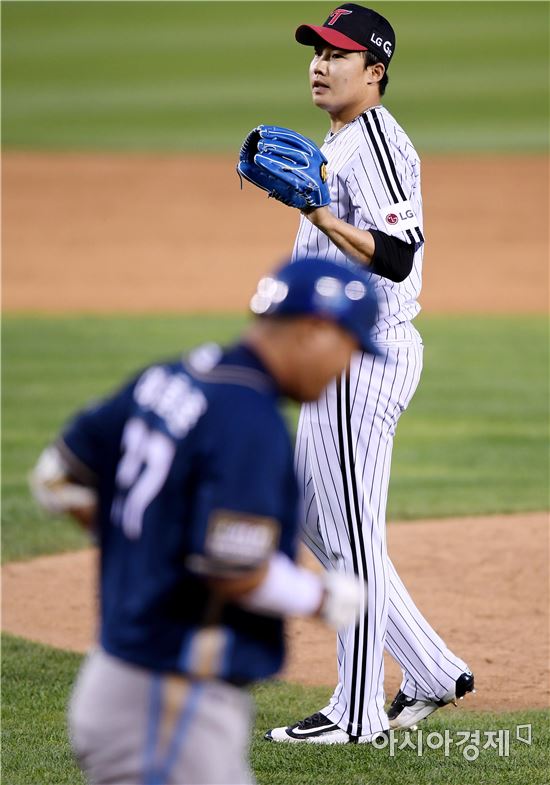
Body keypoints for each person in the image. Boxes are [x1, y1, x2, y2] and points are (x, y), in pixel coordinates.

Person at [29, 257, 381, 785]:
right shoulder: (248, 419)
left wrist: (150, 548)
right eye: (350, 348)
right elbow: (233, 569)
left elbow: (56, 478)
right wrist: (326, 599)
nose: (348, 368)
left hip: (118, 675)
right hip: (169, 699)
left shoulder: (173, 376)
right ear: (315, 331)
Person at [265, 4, 474, 744]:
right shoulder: (343, 136)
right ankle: (430, 668)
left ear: (375, 72)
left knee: (353, 537)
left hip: (364, 359)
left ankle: (356, 715)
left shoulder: (380, 142)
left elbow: (396, 256)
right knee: (316, 522)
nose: (320, 64)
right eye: (316, 52)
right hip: (328, 359)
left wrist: (321, 216)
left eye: (338, 55)